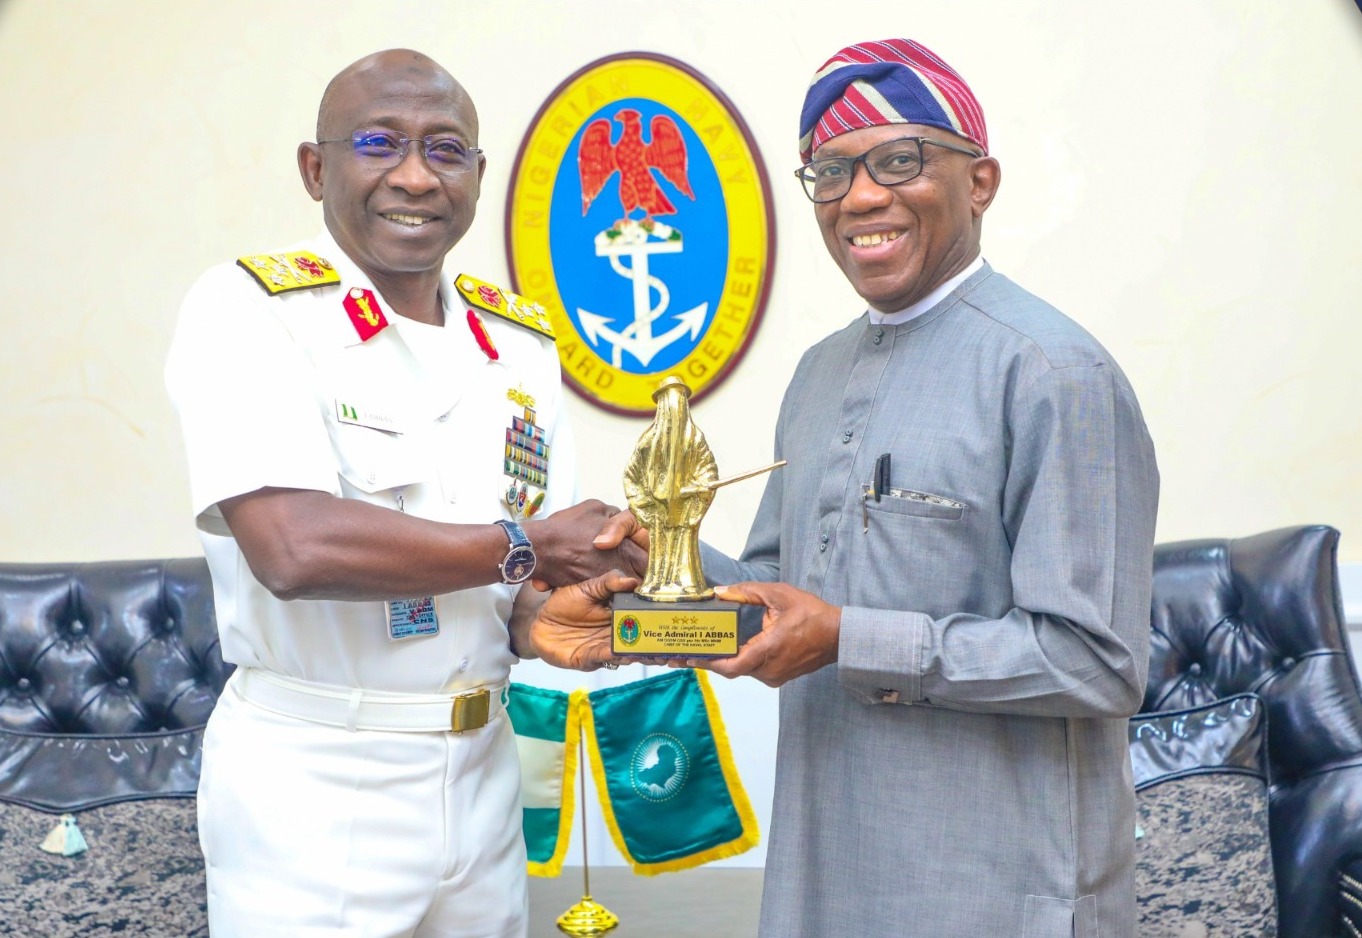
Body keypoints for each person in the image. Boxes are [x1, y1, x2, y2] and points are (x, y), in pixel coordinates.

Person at [534, 37, 1160, 937]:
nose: (861, 195)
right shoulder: (819, 373)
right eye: (829, 172)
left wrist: (846, 639)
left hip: (996, 894)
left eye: (899, 160)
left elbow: (1096, 663)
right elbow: (776, 597)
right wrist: (649, 565)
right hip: (824, 882)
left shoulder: (1054, 371)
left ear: (979, 181)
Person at [165, 49, 642, 938]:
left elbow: (512, 600)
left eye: (446, 149)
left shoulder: (521, 346)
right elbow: (293, 549)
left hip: (485, 772)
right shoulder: (250, 312)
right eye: (379, 144)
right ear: (317, 169)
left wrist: (567, 617)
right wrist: (532, 546)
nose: (415, 177)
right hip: (317, 782)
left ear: (478, 176)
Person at [622, 376, 718, 599]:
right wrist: (645, 502)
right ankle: (657, 583)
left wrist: (701, 486)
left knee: (684, 550)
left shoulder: (694, 439)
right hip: (658, 514)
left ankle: (688, 585)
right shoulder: (648, 441)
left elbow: (708, 469)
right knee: (660, 553)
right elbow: (632, 476)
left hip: (684, 511)